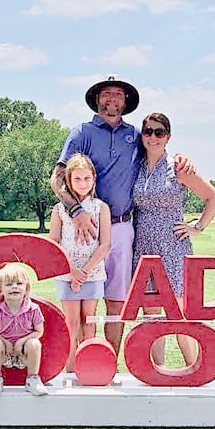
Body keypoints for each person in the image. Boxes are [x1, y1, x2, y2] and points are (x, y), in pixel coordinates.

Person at [50, 75, 193, 357]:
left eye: (118, 94)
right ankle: (82, 362)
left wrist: (182, 157)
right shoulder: (82, 133)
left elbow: (157, 149)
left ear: (125, 101)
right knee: (81, 301)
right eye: (106, 93)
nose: (112, 98)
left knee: (117, 302)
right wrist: (76, 211)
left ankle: (109, 363)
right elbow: (57, 178)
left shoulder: (135, 136)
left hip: (121, 228)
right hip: (85, 227)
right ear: (97, 99)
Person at [132, 112, 215, 366]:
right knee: (151, 313)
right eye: (148, 131)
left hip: (172, 247)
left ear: (168, 137)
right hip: (144, 247)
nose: (153, 137)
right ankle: (157, 370)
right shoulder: (136, 167)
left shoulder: (179, 167)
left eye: (159, 132)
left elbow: (214, 198)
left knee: (179, 311)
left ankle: (193, 368)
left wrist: (198, 226)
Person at [49, 153, 111, 372]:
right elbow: (54, 243)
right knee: (72, 323)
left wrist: (83, 272)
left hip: (92, 274)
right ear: (68, 180)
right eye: (77, 179)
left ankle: (88, 369)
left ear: (94, 178)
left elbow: (105, 245)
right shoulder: (59, 210)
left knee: (89, 323)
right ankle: (70, 370)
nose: (82, 183)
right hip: (67, 274)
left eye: (86, 178)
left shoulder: (101, 208)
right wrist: (72, 271)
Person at [0, 263, 48, 396]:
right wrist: (6, 343)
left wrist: (21, 341)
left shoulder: (33, 309)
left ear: (26, 288)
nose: (14, 287)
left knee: (35, 343)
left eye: (19, 283)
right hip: (5, 353)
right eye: (8, 284)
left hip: (25, 352)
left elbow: (39, 331)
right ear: (0, 290)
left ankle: (32, 379)